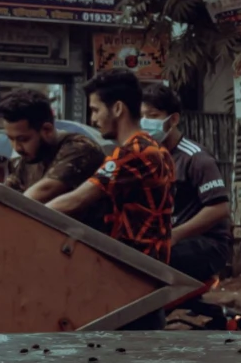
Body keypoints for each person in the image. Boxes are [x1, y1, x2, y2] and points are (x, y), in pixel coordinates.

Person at [51, 69, 174, 264]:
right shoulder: (157, 149)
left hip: (134, 268)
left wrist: (27, 214)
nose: (93, 119)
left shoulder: (133, 152)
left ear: (117, 108)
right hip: (150, 263)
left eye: (95, 110)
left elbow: (76, 200)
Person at [138, 81, 234, 282]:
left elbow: (220, 209)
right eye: (142, 116)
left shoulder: (195, 157)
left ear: (173, 119)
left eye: (153, 116)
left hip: (207, 245)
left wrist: (174, 236)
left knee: (147, 260)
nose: (145, 122)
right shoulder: (148, 157)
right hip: (170, 242)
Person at [0, 90, 105, 208]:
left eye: (23, 139)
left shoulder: (80, 148)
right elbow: (7, 194)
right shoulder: (28, 159)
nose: (17, 147)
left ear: (47, 130)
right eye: (11, 139)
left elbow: (46, 190)